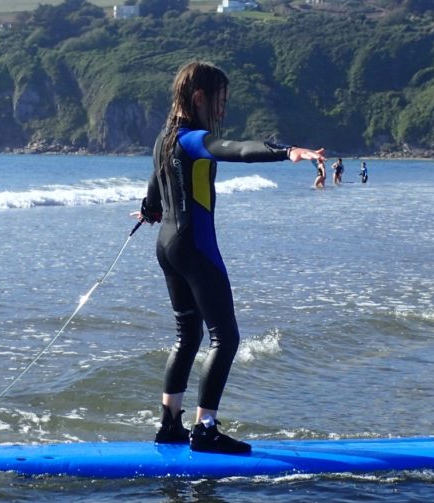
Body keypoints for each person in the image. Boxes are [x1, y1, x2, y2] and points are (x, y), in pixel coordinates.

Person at [136, 61, 325, 455]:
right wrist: (285, 152)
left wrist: (150, 209)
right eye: (220, 101)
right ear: (200, 97)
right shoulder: (190, 139)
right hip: (194, 247)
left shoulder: (163, 140)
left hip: (167, 246)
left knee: (187, 335)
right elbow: (234, 149)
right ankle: (205, 429)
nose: (222, 110)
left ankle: (170, 425)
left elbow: (155, 185)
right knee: (226, 336)